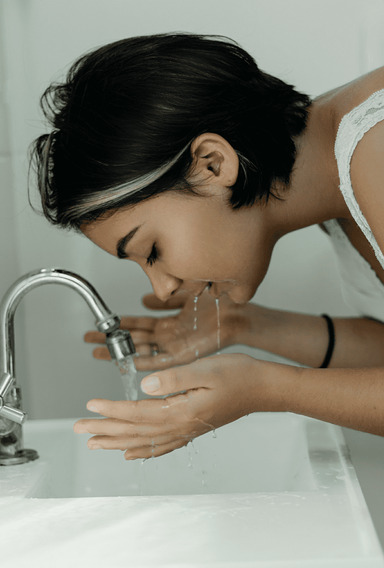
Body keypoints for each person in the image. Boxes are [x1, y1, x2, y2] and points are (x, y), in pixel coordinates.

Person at [30, 33, 384, 460]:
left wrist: (265, 388)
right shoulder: (334, 173)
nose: (163, 289)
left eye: (152, 250)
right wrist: (243, 325)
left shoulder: (377, 148)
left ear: (213, 164)